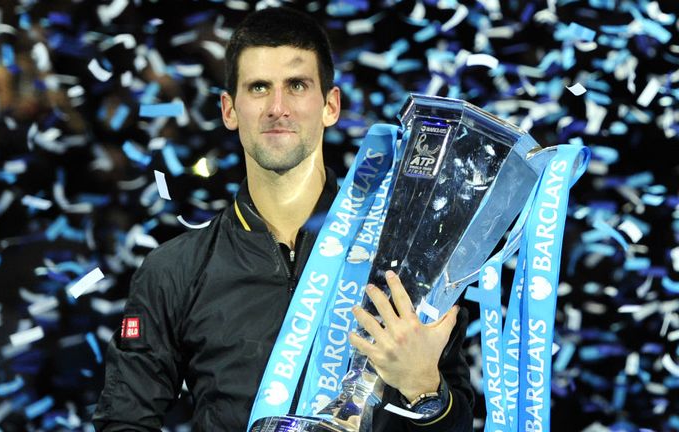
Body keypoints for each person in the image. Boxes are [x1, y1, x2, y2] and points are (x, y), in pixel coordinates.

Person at [93, 6, 473, 431]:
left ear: (330, 105)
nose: (277, 107)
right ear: (229, 110)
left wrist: (424, 387)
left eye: (296, 85)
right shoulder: (175, 271)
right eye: (258, 88)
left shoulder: (405, 258)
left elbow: (459, 422)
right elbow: (124, 422)